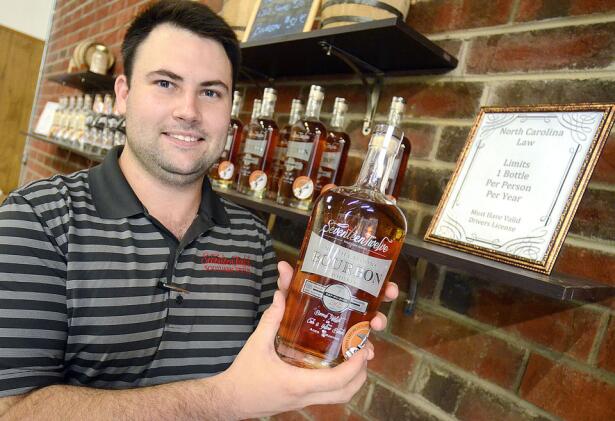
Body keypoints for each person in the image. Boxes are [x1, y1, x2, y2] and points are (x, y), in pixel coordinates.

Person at [0, 1, 398, 419]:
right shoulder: (35, 219)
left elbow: (267, 374)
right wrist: (226, 398)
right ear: (123, 94)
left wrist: (324, 322)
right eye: (166, 84)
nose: (188, 111)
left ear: (229, 110)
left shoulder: (252, 239)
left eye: (210, 91)